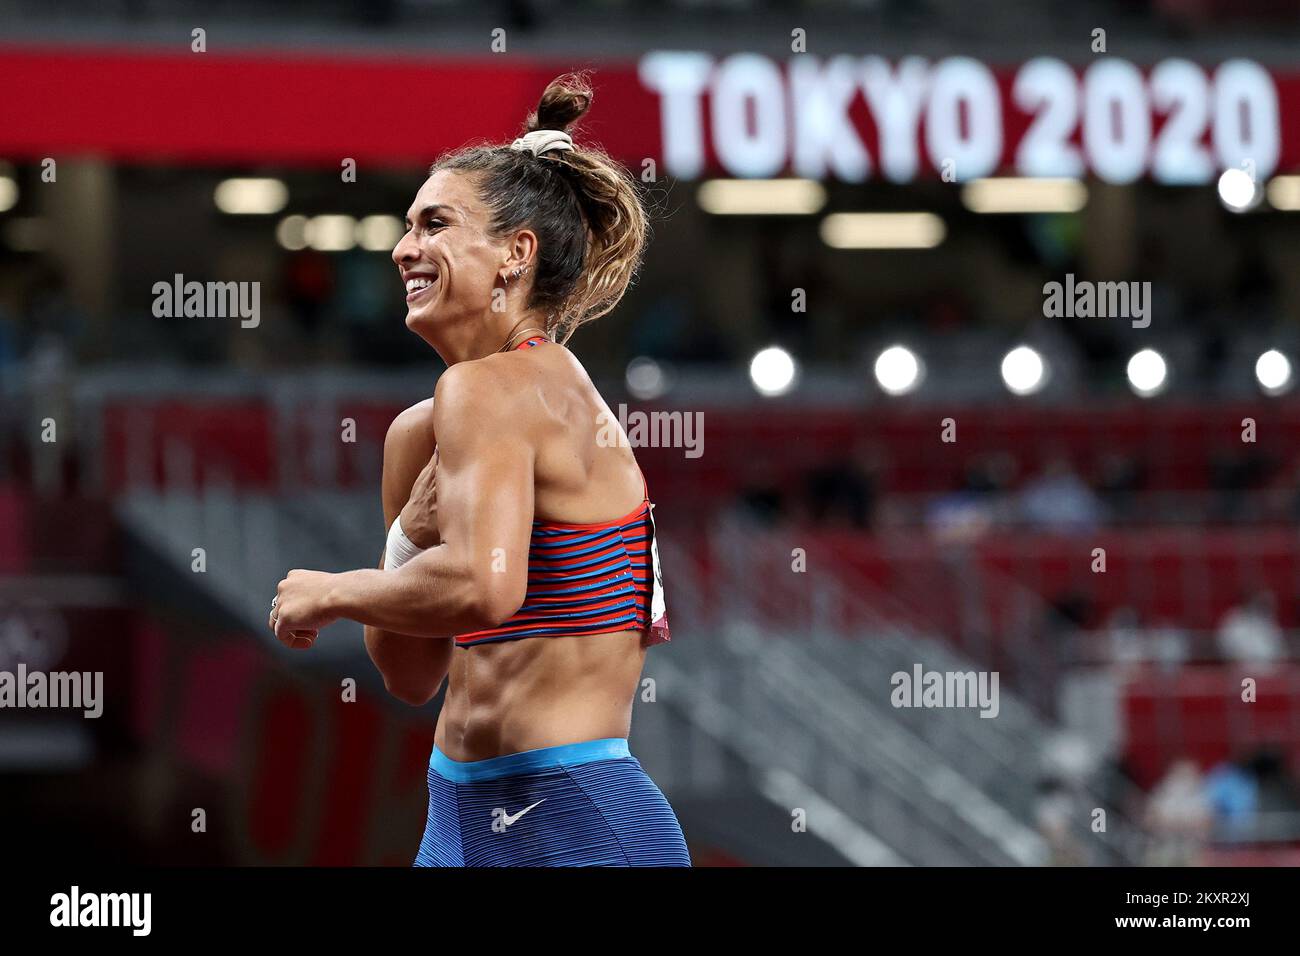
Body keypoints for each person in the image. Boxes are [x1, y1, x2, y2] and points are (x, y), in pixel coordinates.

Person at [268, 73, 689, 867]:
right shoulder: (422, 430)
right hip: (457, 813)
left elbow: (487, 590)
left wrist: (333, 589)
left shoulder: (503, 390)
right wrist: (406, 540)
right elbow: (410, 673)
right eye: (406, 225)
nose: (403, 248)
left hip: (573, 819)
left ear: (514, 255)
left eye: (436, 224)